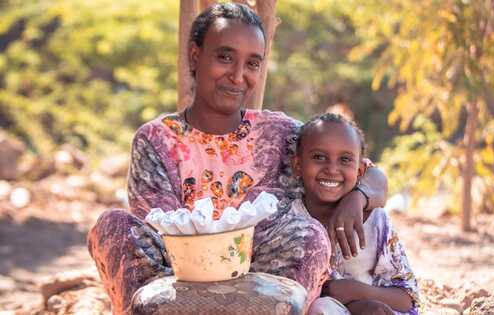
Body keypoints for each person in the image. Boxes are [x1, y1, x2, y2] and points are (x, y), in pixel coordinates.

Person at [87, 3, 388, 315]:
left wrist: (358, 197)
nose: (237, 75)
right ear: (195, 56)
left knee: (309, 236)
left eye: (252, 64)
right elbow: (162, 239)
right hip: (175, 280)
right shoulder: (156, 140)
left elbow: (371, 174)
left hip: (260, 284)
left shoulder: (280, 133)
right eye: (225, 57)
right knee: (113, 225)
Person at [291, 113, 419, 315]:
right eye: (318, 157)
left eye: (345, 159)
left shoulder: (377, 222)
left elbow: (407, 300)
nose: (332, 169)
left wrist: (356, 292)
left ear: (360, 171)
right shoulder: (288, 221)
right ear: (297, 165)